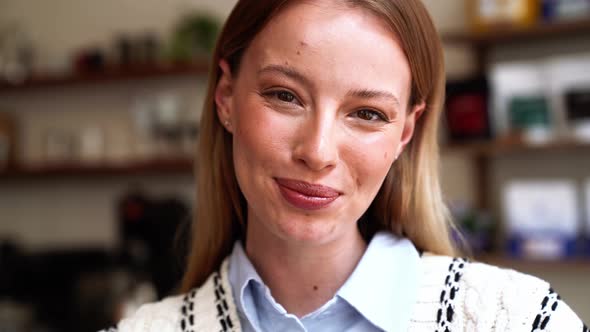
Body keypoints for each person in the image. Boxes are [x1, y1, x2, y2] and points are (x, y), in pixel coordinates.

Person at [104, 0, 588, 331]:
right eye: (284, 96)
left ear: (405, 132)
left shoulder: (521, 320)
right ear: (226, 97)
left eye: (367, 114)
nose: (317, 151)